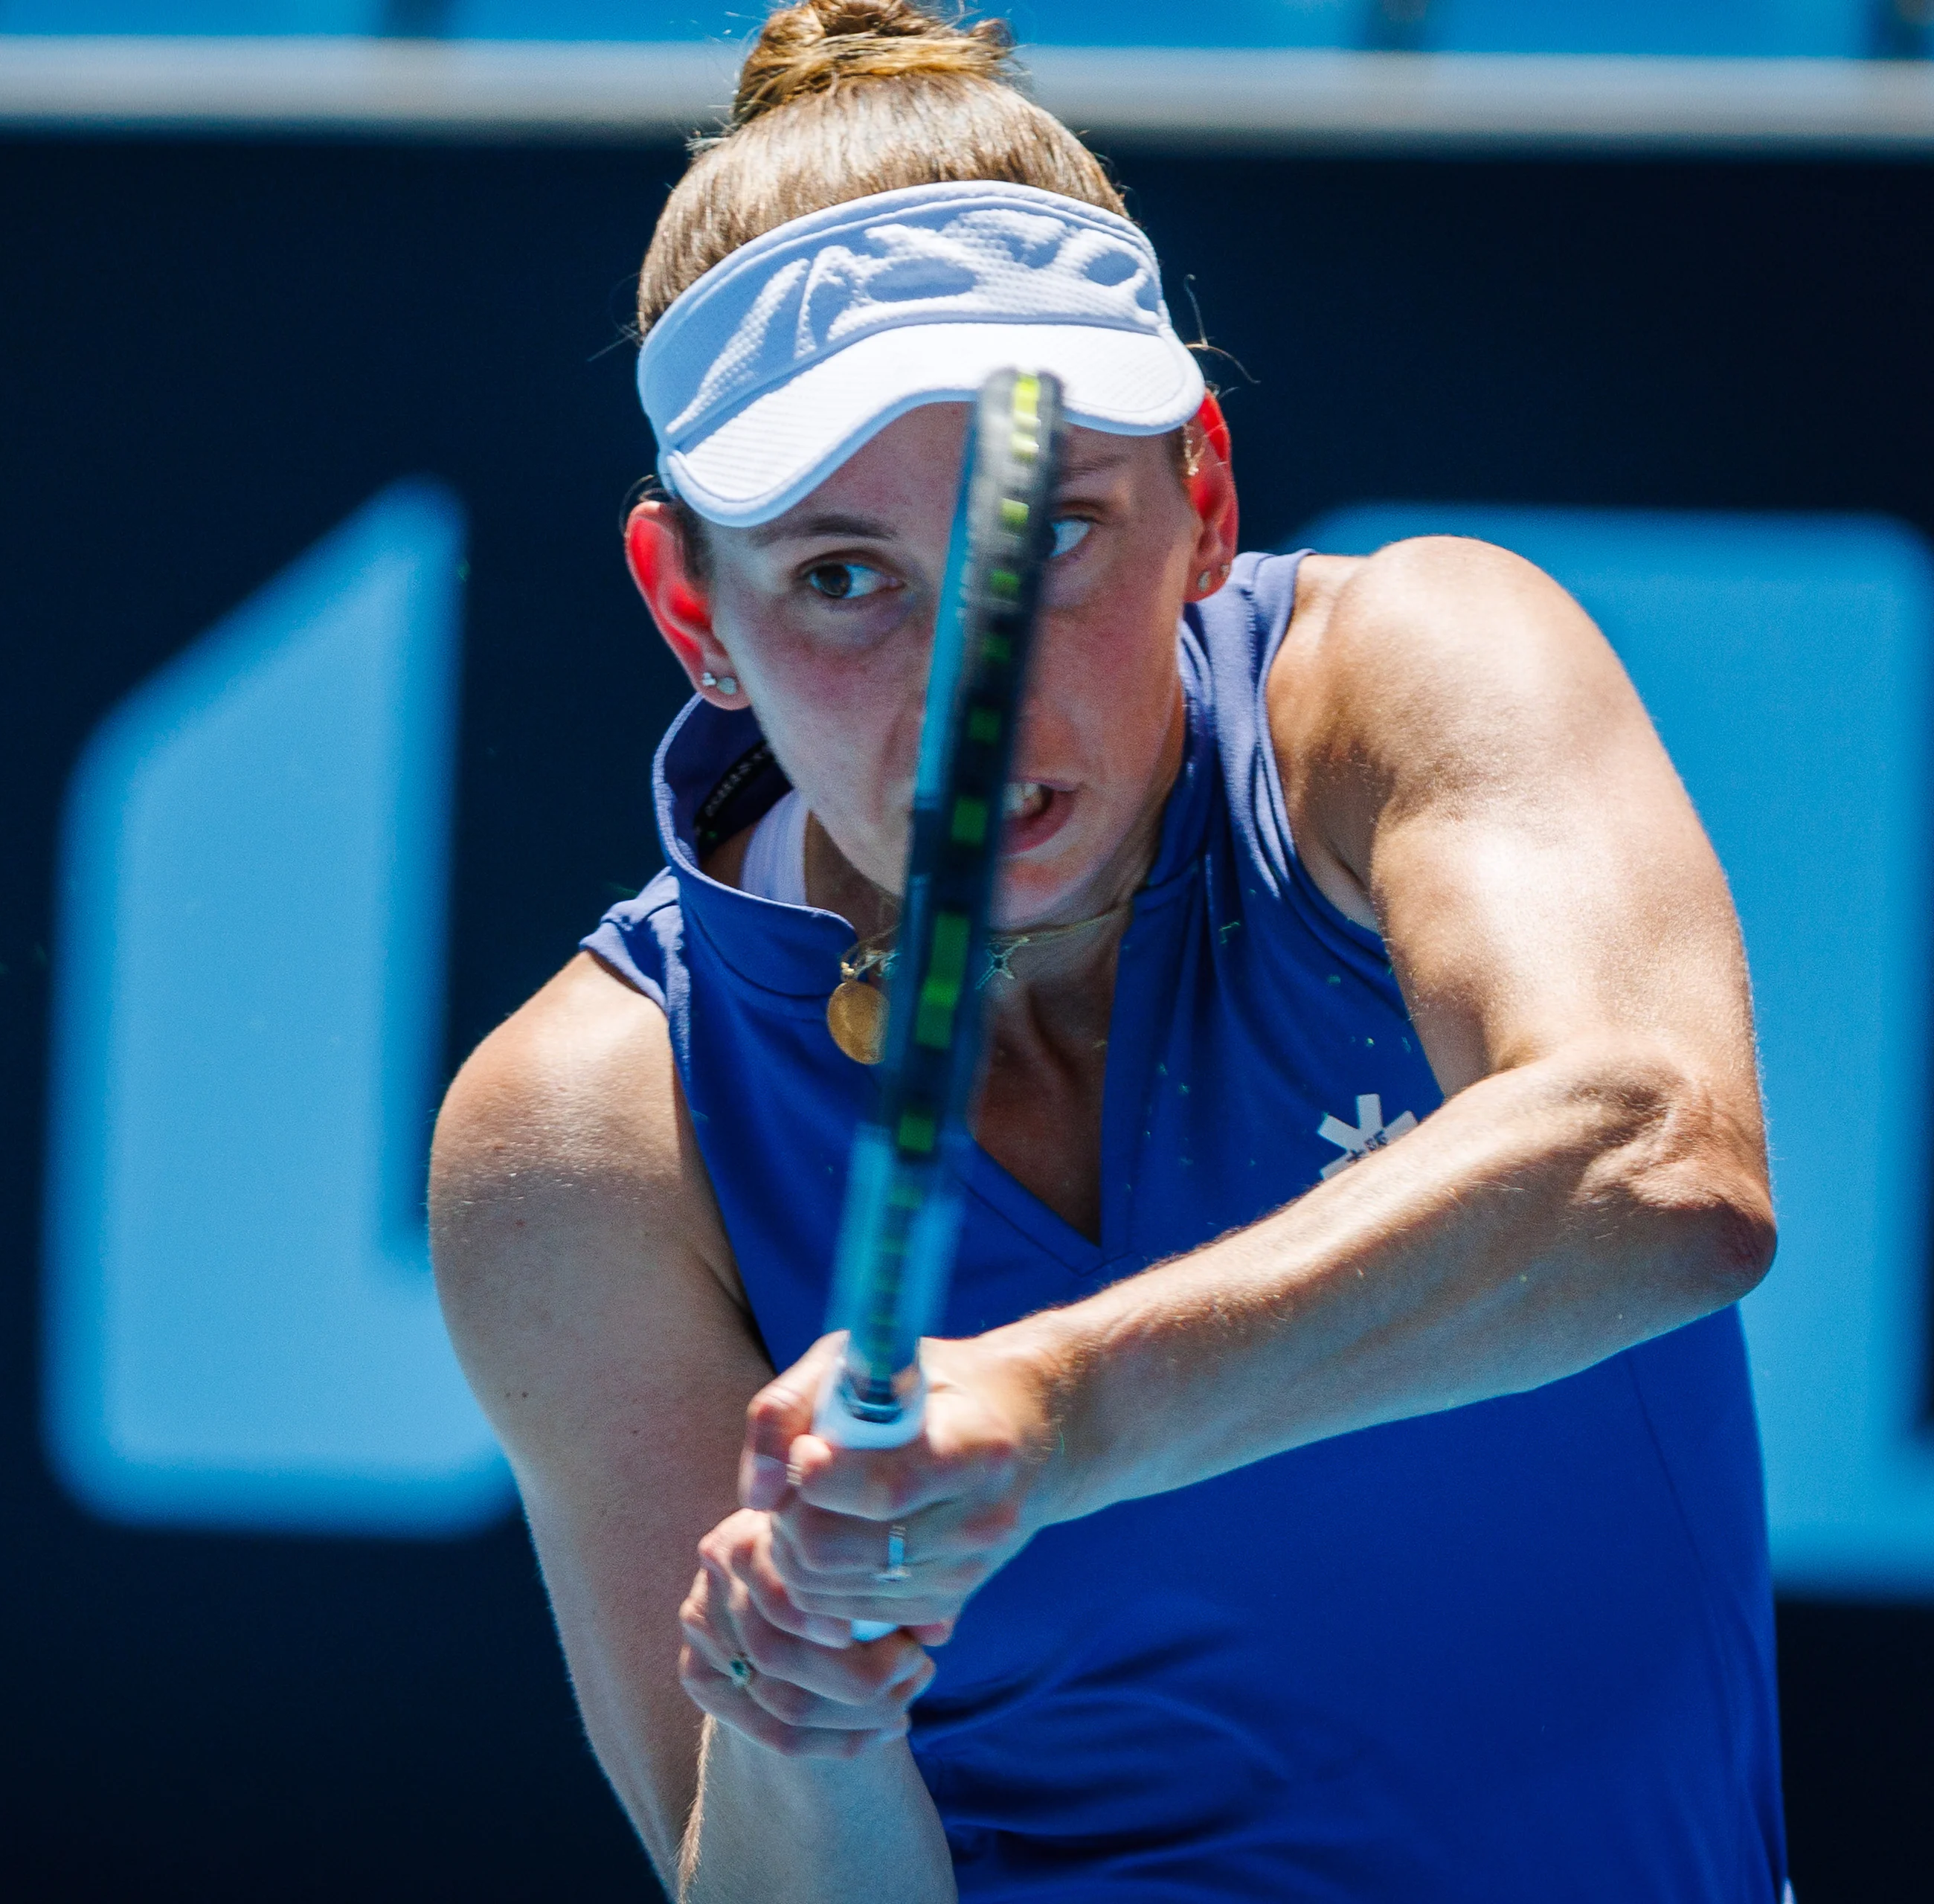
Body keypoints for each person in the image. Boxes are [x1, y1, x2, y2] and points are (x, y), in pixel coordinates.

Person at [427, 4, 1787, 1899]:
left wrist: (1055, 1409)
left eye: (1052, 530)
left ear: (1205, 496)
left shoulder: (1412, 675)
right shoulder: (586, 1129)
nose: (972, 678)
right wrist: (803, 1714)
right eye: (841, 577)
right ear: (691, 612)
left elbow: (1664, 1164)